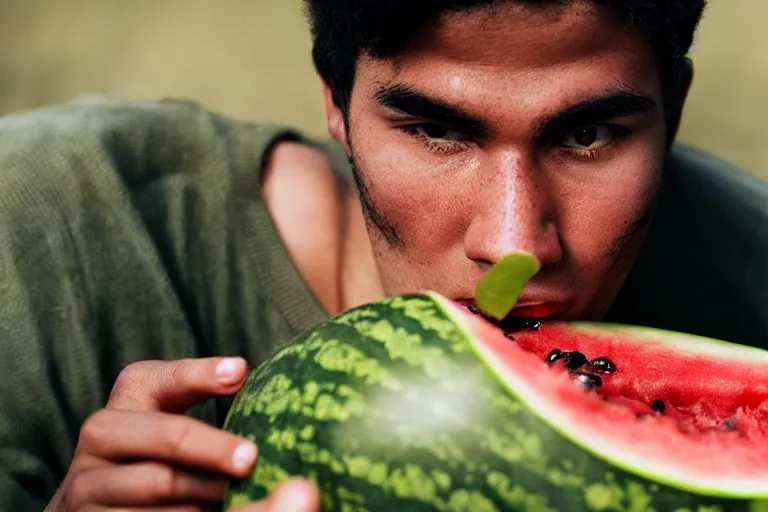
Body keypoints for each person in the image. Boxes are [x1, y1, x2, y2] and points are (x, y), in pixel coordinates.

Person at [1, 0, 766, 510]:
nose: (513, 245)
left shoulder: (748, 275)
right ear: (335, 99)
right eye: (436, 131)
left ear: (674, 112)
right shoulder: (39, 232)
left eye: (588, 135)